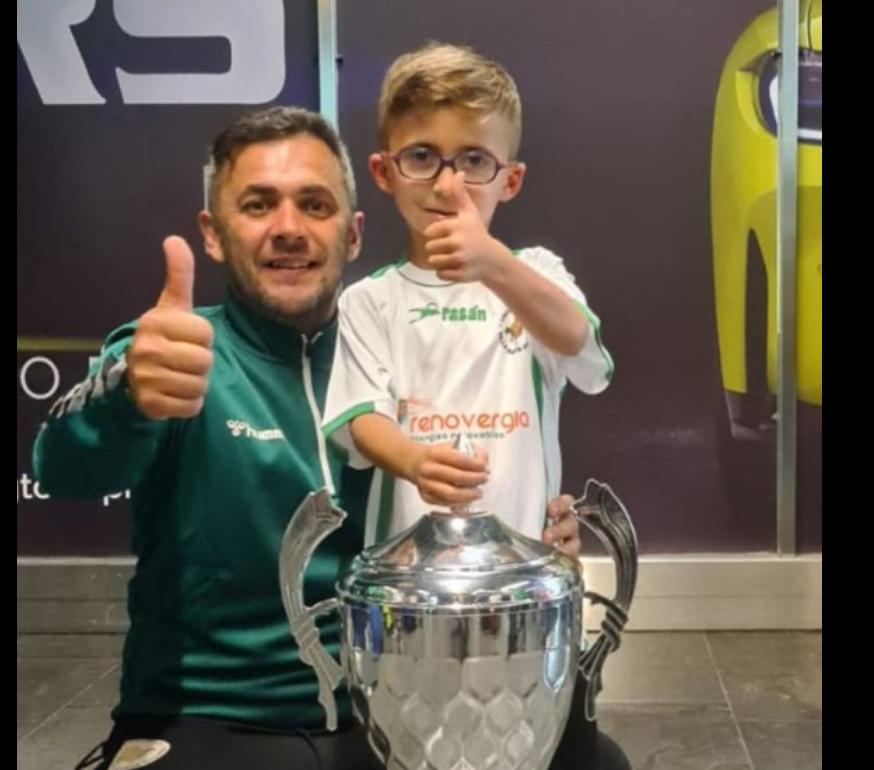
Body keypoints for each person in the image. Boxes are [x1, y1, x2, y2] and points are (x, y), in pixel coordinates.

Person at [31, 105, 597, 770]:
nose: (289, 229)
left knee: (590, 755)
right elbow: (64, 466)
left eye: (315, 205)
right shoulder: (176, 352)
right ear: (213, 234)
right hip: (216, 715)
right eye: (258, 205)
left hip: (397, 707)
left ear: (353, 235)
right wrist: (127, 394)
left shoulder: (407, 351)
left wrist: (525, 531)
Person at [320, 42, 629, 770]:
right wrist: (414, 459)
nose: (448, 182)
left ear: (510, 179)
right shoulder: (370, 301)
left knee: (528, 735)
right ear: (384, 172)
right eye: (423, 156)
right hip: (413, 603)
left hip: (528, 591)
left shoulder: (535, 276)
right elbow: (355, 422)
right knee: (423, 739)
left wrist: (495, 264)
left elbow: (584, 353)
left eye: (475, 161)